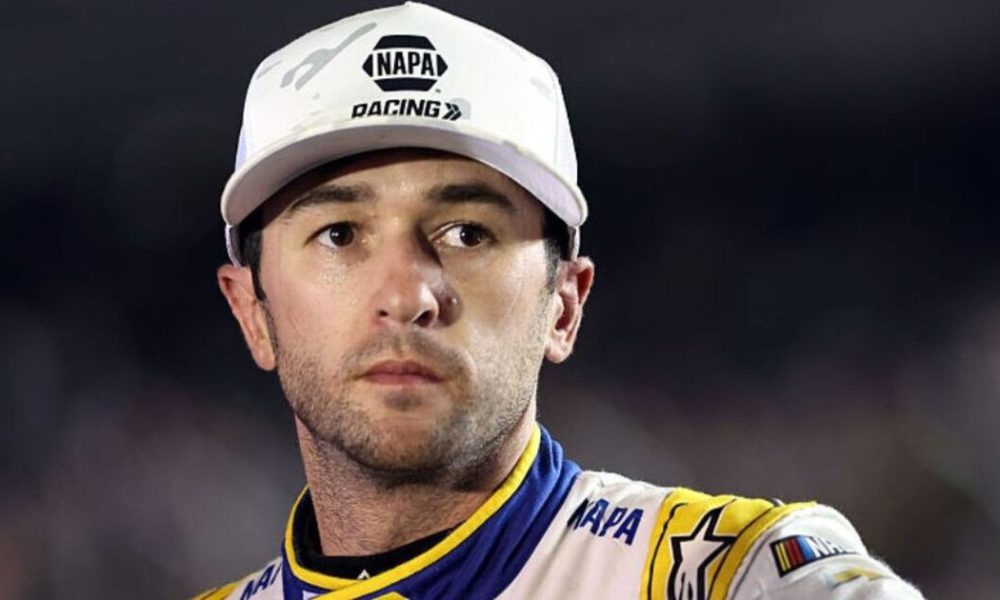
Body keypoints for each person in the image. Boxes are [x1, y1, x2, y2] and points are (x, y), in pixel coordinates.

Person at [197, 3, 924, 599]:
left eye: (467, 233)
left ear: (564, 305)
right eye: (339, 234)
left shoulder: (731, 576)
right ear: (251, 312)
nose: (408, 295)